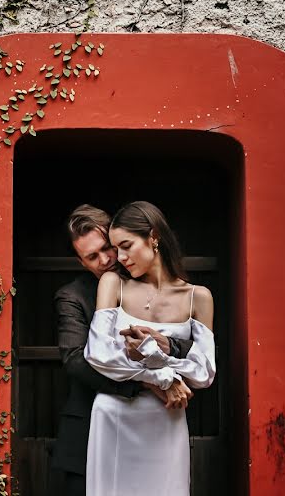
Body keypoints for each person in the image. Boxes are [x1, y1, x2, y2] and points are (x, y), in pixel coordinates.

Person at [49, 205, 194, 496]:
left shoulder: (160, 285)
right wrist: (147, 382)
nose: (105, 260)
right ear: (81, 262)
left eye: (107, 248)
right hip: (89, 428)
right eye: (92, 256)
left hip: (156, 430)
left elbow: (190, 344)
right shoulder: (72, 297)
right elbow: (76, 360)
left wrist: (165, 347)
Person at [84, 201, 216, 496]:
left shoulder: (199, 297)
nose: (120, 257)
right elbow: (98, 354)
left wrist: (155, 355)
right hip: (114, 414)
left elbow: (204, 372)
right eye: (117, 248)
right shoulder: (112, 283)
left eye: (126, 246)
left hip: (166, 417)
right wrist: (164, 378)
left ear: (153, 236)